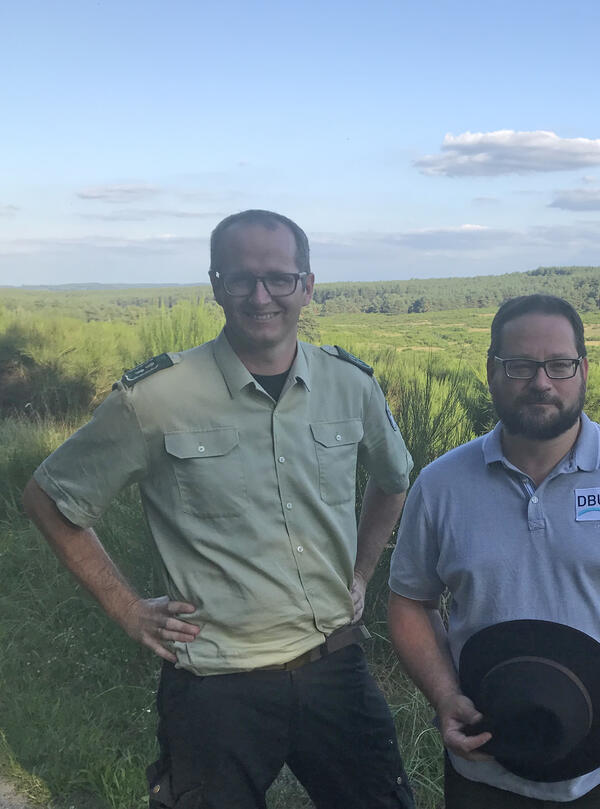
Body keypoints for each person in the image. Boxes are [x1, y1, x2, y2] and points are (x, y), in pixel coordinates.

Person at [23, 210, 416, 809]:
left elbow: (394, 480)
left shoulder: (350, 384)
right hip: (215, 685)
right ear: (215, 285)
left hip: (335, 667)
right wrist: (128, 610)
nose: (261, 297)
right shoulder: (156, 398)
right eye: (240, 279)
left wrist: (361, 573)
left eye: (279, 278)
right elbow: (49, 498)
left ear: (307, 286)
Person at [387, 294, 600, 808]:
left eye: (560, 364)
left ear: (584, 370)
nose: (542, 382)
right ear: (491, 371)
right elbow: (409, 602)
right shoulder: (441, 484)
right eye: (520, 365)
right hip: (484, 765)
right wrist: (445, 697)